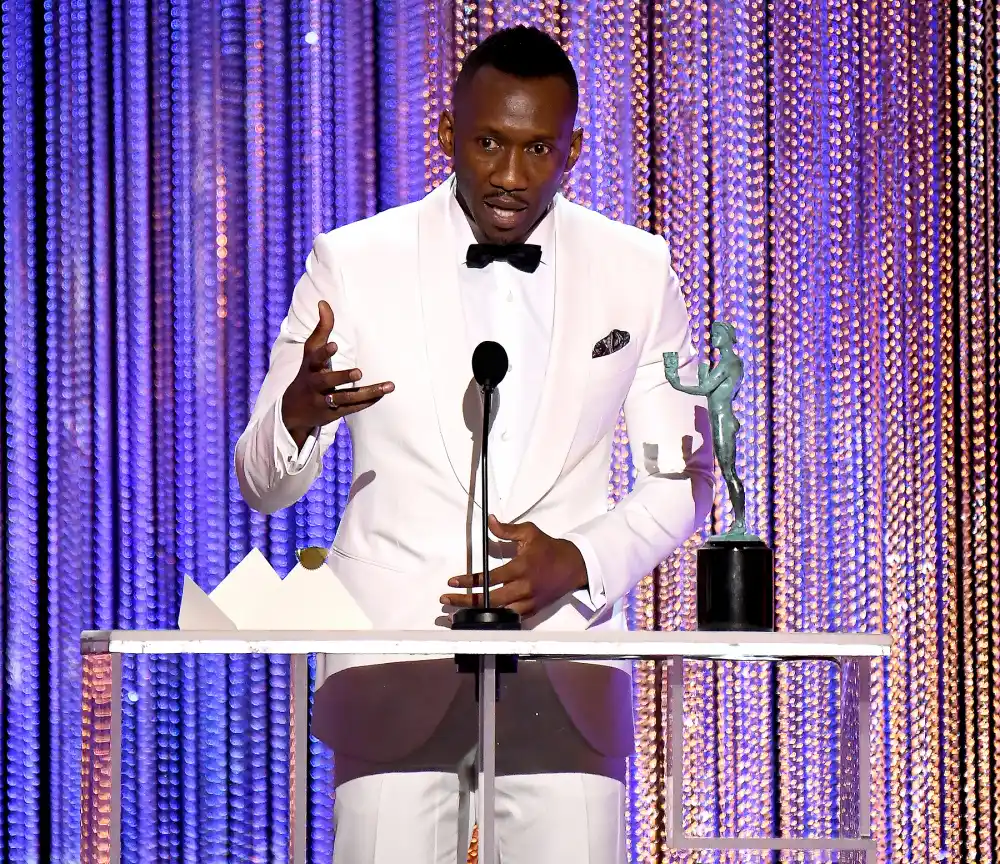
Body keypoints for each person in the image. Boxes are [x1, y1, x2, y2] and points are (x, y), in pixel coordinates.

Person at [236, 24, 714, 864]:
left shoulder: (637, 269)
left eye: (538, 149)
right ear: (450, 131)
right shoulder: (352, 262)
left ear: (573, 150)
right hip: (392, 658)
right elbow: (259, 479)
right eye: (488, 142)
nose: (508, 176)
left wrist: (580, 560)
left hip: (566, 664)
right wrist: (300, 417)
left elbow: (685, 477)